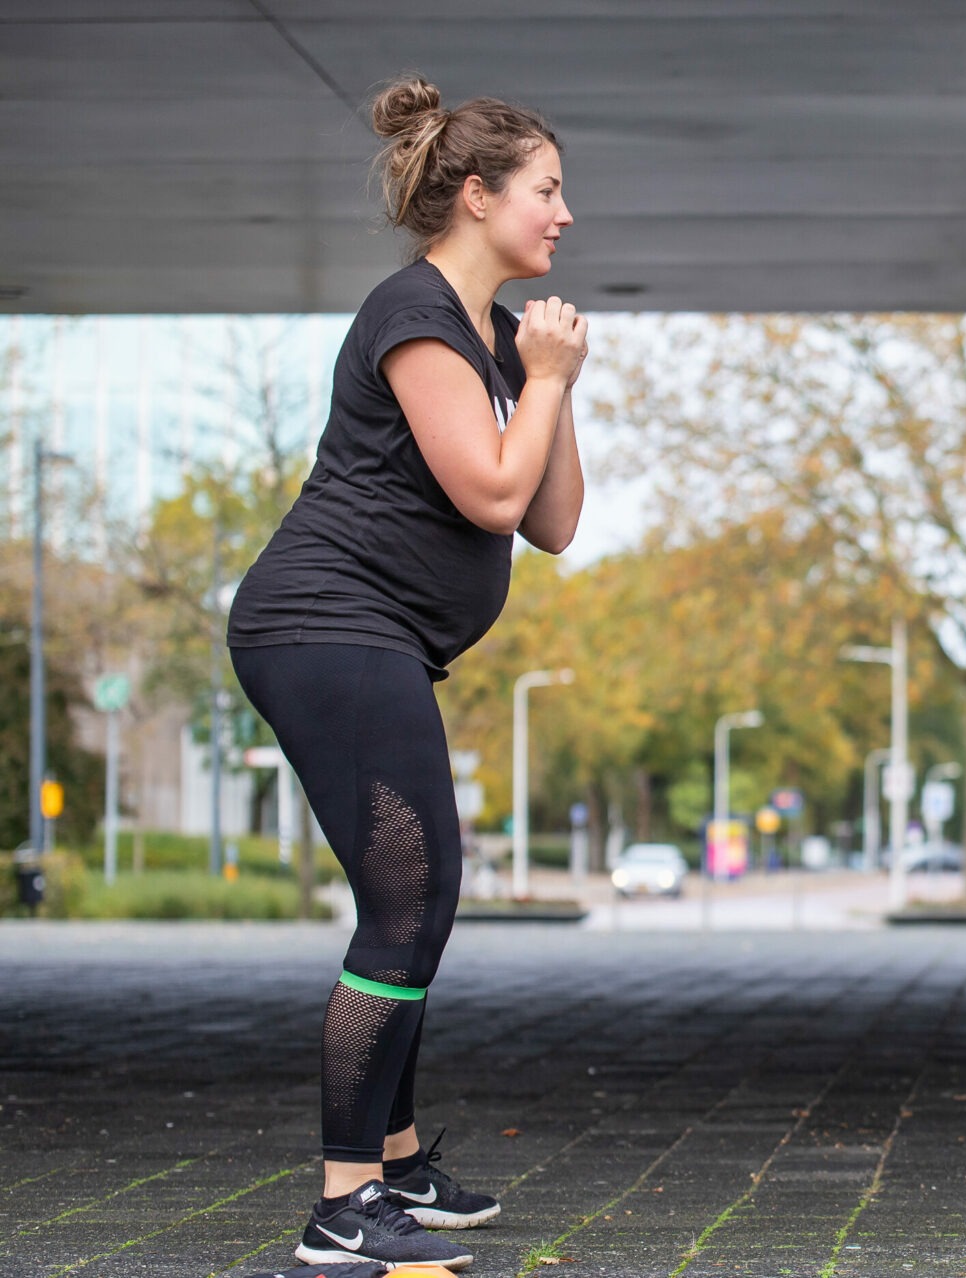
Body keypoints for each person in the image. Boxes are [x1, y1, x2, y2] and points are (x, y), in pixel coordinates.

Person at [227, 75, 586, 1270]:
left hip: (374, 634)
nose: (564, 214)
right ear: (477, 196)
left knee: (414, 897)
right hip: (325, 623)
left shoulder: (487, 334)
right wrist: (537, 384)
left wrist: (553, 382)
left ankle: (401, 1161)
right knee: (411, 898)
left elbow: (551, 522)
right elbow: (489, 489)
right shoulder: (415, 315)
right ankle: (344, 1202)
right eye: (546, 190)